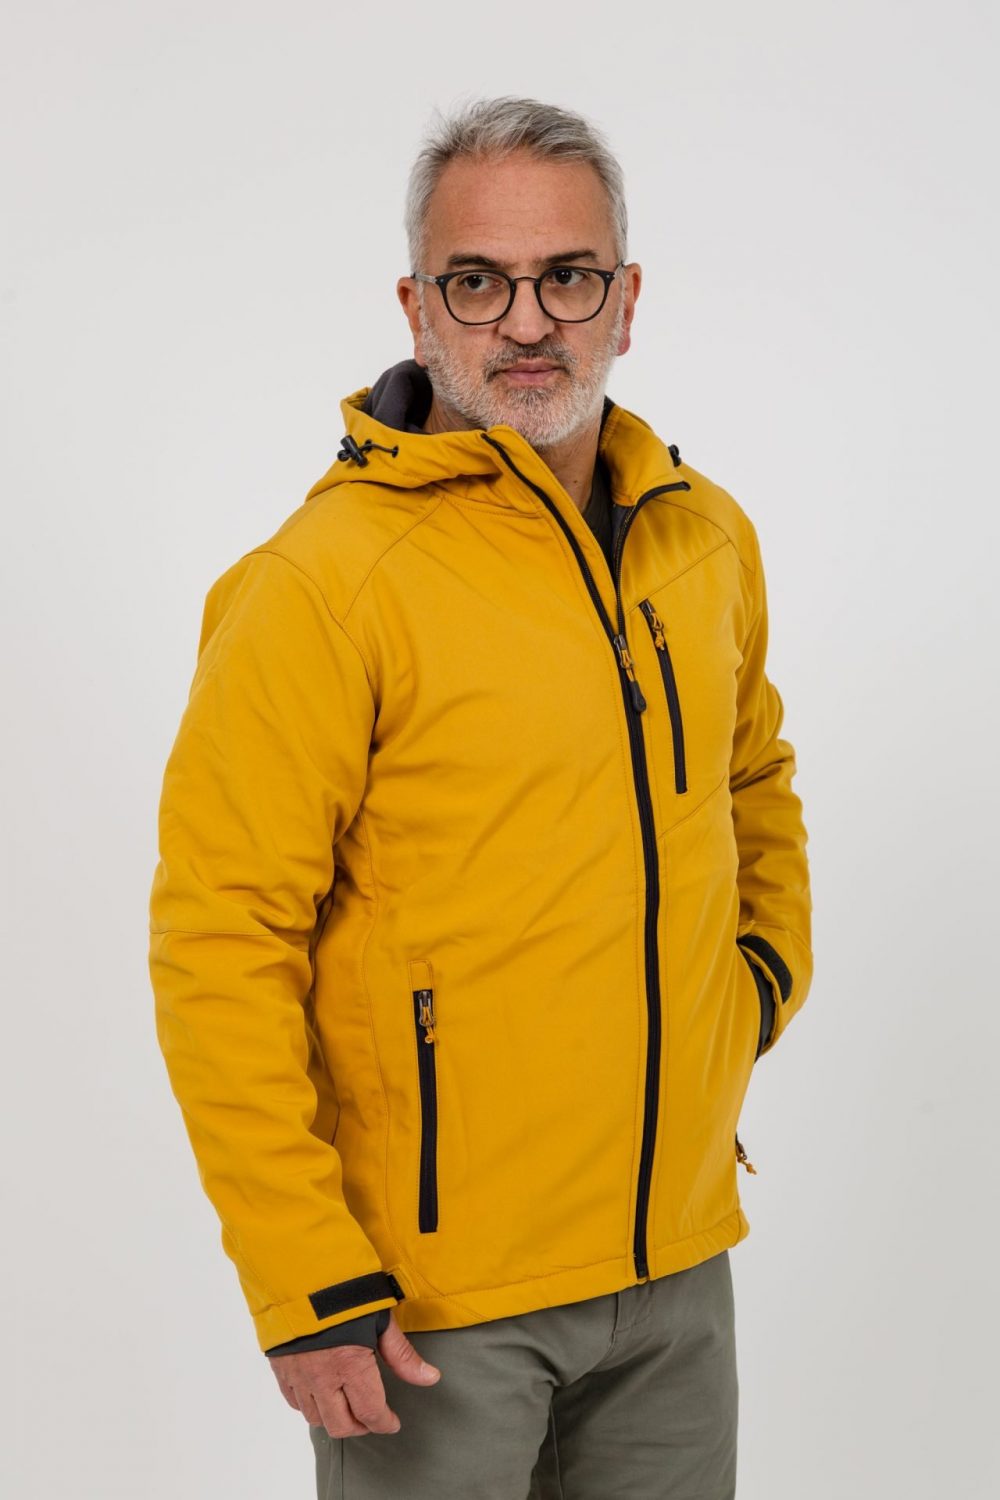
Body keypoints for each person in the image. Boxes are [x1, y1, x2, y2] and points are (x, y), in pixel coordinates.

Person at [148, 96, 813, 1499]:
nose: (525, 322)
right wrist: (304, 1275)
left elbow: (753, 777)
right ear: (416, 306)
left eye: (567, 277)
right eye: (477, 281)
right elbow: (221, 939)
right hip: (431, 1309)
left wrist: (749, 989)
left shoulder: (704, 539)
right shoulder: (322, 586)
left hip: (680, 1266)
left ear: (626, 300)